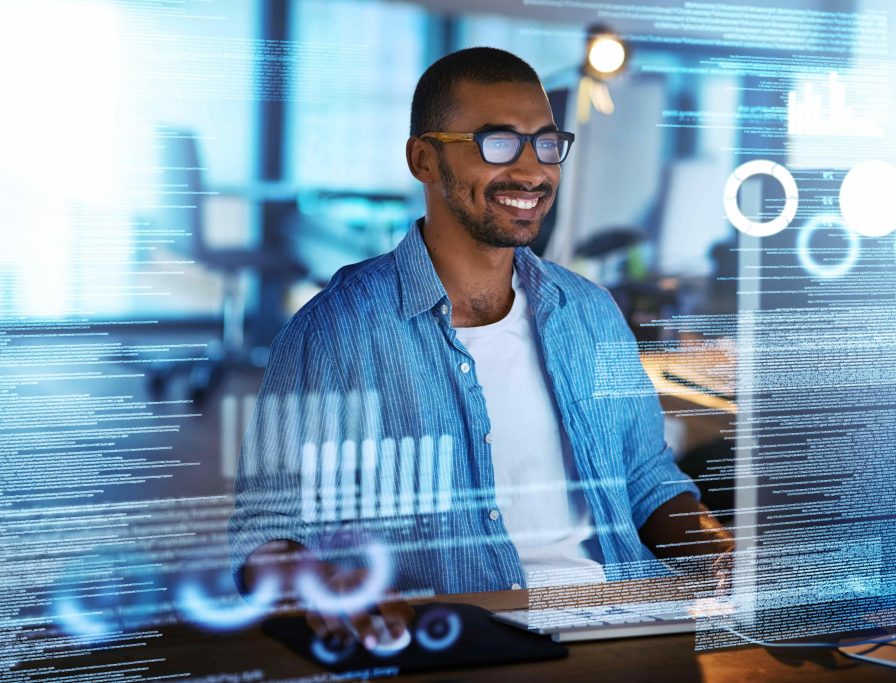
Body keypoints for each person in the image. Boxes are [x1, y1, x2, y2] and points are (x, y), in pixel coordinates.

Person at [229, 46, 733, 648]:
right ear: (424, 158)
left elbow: (648, 481)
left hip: (631, 625)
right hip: (460, 644)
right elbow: (267, 534)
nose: (532, 170)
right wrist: (321, 582)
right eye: (498, 142)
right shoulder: (336, 331)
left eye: (546, 144)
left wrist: (722, 554)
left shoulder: (591, 312)